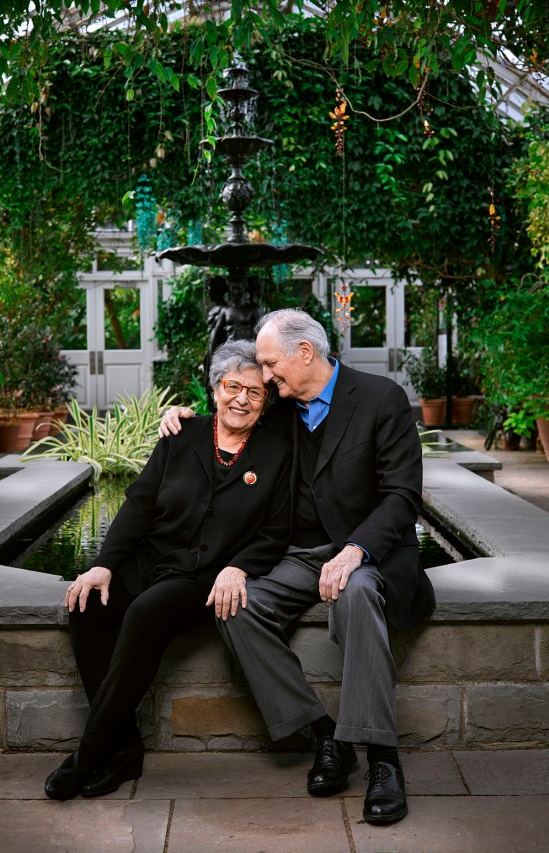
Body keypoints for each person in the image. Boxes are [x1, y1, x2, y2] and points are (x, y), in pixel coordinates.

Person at [160, 308, 435, 825]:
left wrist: (356, 551)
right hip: (297, 555)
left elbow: (403, 496)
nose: (264, 377)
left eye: (269, 364)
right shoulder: (281, 405)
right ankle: (326, 736)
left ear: (304, 353)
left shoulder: (381, 399)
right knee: (236, 607)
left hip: (364, 553)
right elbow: (231, 416)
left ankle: (383, 759)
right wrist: (184, 421)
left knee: (356, 593)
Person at [44, 339, 291, 801]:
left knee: (146, 611)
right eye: (232, 387)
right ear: (215, 389)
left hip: (205, 576)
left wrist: (240, 567)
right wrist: (103, 565)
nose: (242, 399)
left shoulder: (277, 451)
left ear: (266, 400)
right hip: (151, 559)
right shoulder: (182, 433)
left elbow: (276, 531)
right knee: (87, 606)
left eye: (255, 392)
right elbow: (139, 504)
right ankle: (124, 747)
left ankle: (89, 755)